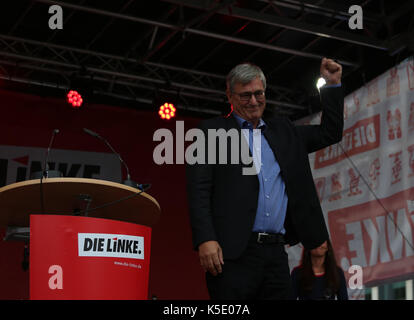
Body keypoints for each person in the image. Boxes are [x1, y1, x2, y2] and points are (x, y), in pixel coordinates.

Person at [186, 58, 343, 299]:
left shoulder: (284, 131)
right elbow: (198, 190)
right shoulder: (211, 131)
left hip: (275, 253)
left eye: (259, 93)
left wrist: (331, 86)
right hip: (233, 253)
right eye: (245, 95)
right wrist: (205, 239)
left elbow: (329, 132)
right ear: (229, 95)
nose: (253, 101)